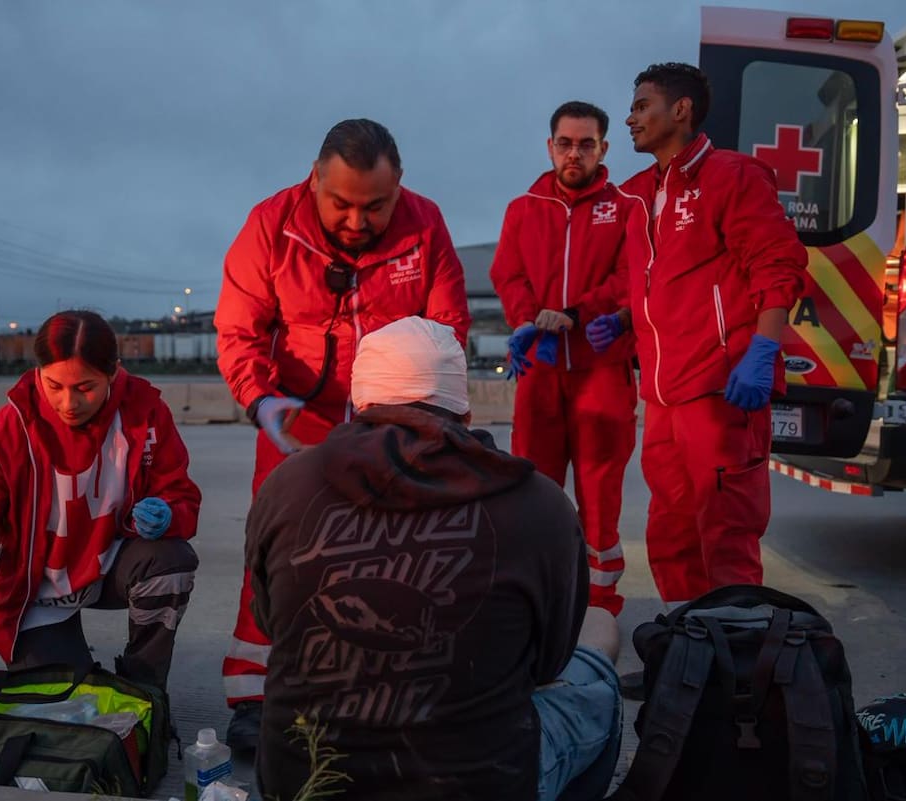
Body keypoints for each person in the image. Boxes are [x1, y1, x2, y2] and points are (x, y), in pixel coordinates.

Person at [246, 316, 622, 801]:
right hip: (479, 785)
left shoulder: (286, 485)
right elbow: (547, 665)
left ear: (359, 406)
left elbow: (273, 622)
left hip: (301, 783)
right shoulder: (540, 503)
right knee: (601, 630)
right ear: (464, 414)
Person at [213, 118, 471, 748]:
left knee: (403, 550)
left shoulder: (426, 223)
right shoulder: (271, 226)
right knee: (278, 549)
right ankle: (253, 691)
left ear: (399, 186)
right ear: (315, 179)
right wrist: (262, 401)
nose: (357, 222)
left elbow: (447, 326)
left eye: (375, 207)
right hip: (297, 420)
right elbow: (239, 330)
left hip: (395, 419)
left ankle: (385, 681)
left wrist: (428, 417)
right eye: (342, 205)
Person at [592, 63, 807, 611]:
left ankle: (736, 675)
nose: (631, 117)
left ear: (680, 110)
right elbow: (652, 280)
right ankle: (687, 659)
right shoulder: (641, 195)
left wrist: (763, 350)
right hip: (663, 398)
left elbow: (777, 264)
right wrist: (622, 318)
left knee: (726, 534)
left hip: (719, 389)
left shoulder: (731, 176)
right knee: (672, 535)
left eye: (642, 105)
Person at [0, 310, 202, 700]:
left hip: (108, 566)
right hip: (35, 593)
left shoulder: (145, 414)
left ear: (114, 373)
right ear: (37, 371)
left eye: (85, 387)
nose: (68, 403)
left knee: (171, 562)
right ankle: (59, 655)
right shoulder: (5, 435)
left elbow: (182, 495)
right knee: (69, 705)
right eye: (54, 385)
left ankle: (144, 691)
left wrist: (169, 513)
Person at [489, 100, 636, 616]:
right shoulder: (523, 208)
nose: (575, 153)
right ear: (551, 146)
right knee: (535, 490)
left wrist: (575, 312)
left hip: (602, 371)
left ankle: (599, 605)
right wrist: (530, 318)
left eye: (586, 144)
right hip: (541, 373)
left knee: (600, 496)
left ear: (604, 148)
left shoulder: (627, 208)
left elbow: (631, 279)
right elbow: (507, 275)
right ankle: (538, 601)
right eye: (566, 143)